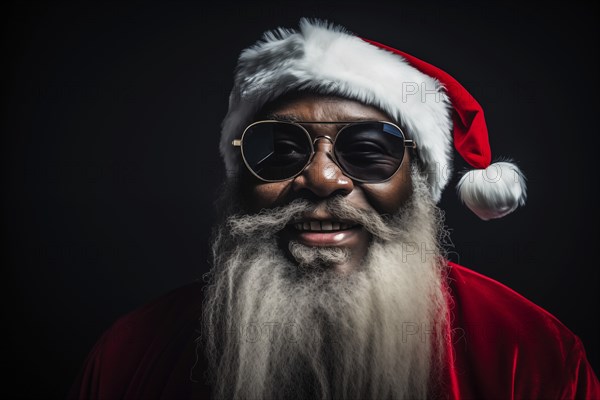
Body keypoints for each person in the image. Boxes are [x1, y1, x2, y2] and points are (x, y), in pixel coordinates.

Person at [69, 19, 600, 399]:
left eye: (369, 150)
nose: (322, 179)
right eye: (280, 149)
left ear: (418, 179)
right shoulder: (130, 354)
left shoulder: (531, 357)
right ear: (240, 176)